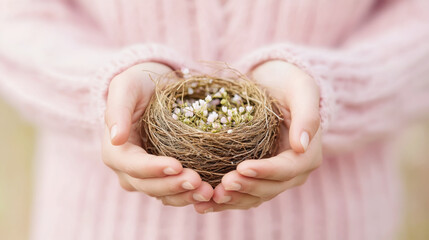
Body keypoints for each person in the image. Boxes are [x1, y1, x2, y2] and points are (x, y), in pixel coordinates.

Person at [0, 0, 428, 239]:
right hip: (98, 224)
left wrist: (332, 90)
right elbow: (16, 21)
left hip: (333, 224)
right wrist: (105, 88)